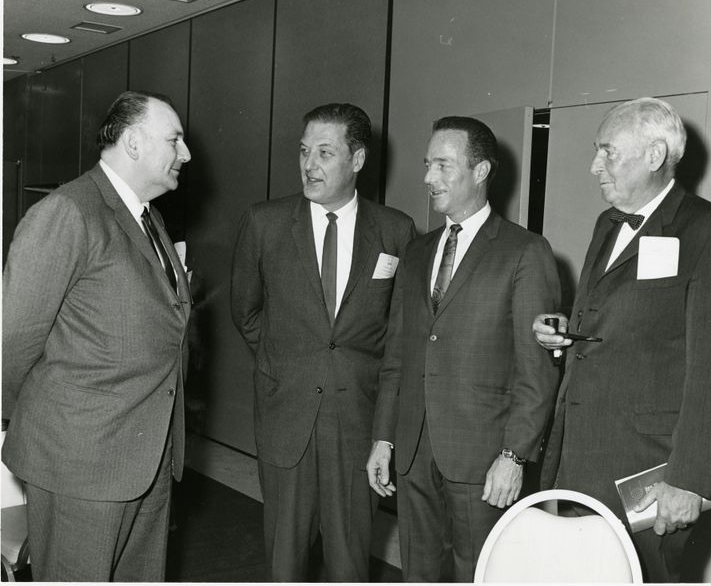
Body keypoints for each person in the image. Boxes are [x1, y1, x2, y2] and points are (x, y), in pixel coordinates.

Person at [533, 97, 711, 582]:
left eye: (607, 151)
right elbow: (624, 323)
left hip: (651, 477)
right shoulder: (607, 225)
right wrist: (562, 331)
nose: (594, 166)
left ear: (655, 155)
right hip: (578, 460)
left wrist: (688, 481)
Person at [2, 91, 192, 581]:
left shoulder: (148, 217)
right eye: (174, 140)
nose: (187, 154)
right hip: (80, 465)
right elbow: (11, 340)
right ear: (133, 143)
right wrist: (45, 425)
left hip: (146, 458)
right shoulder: (68, 212)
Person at [367, 116, 561, 582]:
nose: (428, 177)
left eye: (442, 165)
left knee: (480, 573)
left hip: (483, 458)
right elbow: (397, 358)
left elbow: (536, 371)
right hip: (414, 452)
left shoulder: (525, 251)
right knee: (420, 573)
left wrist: (514, 456)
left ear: (481, 171)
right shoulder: (417, 252)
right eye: (427, 164)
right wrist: (383, 438)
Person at [230, 102, 415, 581]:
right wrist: (287, 363)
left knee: (350, 561)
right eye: (304, 151)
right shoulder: (264, 223)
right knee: (284, 560)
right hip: (286, 415)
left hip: (357, 422)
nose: (309, 164)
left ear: (358, 160)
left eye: (325, 153)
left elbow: (397, 338)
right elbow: (246, 312)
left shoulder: (395, 230)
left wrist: (384, 432)